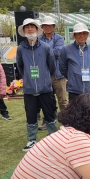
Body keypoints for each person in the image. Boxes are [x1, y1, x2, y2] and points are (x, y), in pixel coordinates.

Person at [15, 19, 60, 151]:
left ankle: (53, 139)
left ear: (37, 30)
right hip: (29, 90)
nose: (30, 29)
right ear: (24, 31)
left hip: (45, 88)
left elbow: (51, 66)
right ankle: (32, 140)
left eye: (32, 27)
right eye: (27, 27)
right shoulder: (21, 49)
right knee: (31, 115)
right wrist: (28, 79)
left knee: (50, 113)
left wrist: (44, 78)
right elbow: (20, 67)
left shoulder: (46, 48)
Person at [59, 22, 90, 100]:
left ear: (87, 35)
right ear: (74, 35)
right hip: (74, 91)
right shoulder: (66, 50)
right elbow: (62, 68)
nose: (82, 35)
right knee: (75, 112)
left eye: (84, 33)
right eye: (79, 33)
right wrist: (73, 77)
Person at [40, 15, 68, 112]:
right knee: (47, 99)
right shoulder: (39, 39)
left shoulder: (59, 38)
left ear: (54, 26)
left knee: (62, 100)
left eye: (50, 25)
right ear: (42, 27)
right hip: (45, 74)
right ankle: (49, 119)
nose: (48, 27)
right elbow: (39, 54)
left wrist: (45, 52)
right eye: (45, 25)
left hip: (58, 74)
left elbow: (58, 52)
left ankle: (66, 120)